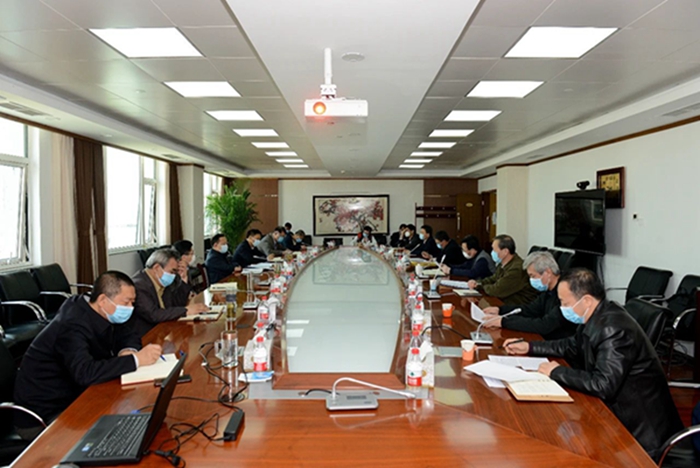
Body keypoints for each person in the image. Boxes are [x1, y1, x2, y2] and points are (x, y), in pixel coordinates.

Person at [504, 268, 684, 459]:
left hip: (641, 435)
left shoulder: (613, 329)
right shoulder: (596, 315)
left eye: (565, 303)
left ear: (587, 300)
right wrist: (530, 347)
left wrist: (556, 371)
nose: (562, 307)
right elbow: (571, 345)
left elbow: (603, 384)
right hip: (617, 413)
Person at [13, 271, 162, 439]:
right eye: (126, 302)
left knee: (134, 418)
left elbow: (128, 334)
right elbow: (85, 373)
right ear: (103, 300)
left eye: (132, 303)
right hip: (44, 415)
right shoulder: (72, 325)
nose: (130, 308)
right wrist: (135, 360)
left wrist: (128, 350)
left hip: (75, 396)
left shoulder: (102, 311)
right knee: (118, 434)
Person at [481, 251, 577, 340]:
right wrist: (500, 310)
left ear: (547, 273)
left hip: (559, 344)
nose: (531, 280)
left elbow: (544, 325)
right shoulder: (548, 290)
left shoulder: (566, 292)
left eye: (533, 276)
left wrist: (504, 322)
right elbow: (529, 310)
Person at [130, 248, 209, 337]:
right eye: (172, 271)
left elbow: (177, 305)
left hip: (164, 330)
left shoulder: (161, 280)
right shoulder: (139, 285)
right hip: (146, 336)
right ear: (157, 268)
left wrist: (183, 279)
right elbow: (154, 314)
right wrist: (186, 311)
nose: (174, 276)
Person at [467, 234, 538, 305]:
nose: (492, 252)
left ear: (505, 251)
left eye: (494, 249)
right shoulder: (502, 263)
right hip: (504, 301)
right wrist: (477, 283)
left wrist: (479, 286)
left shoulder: (516, 269)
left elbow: (496, 290)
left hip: (518, 305)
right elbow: (493, 279)